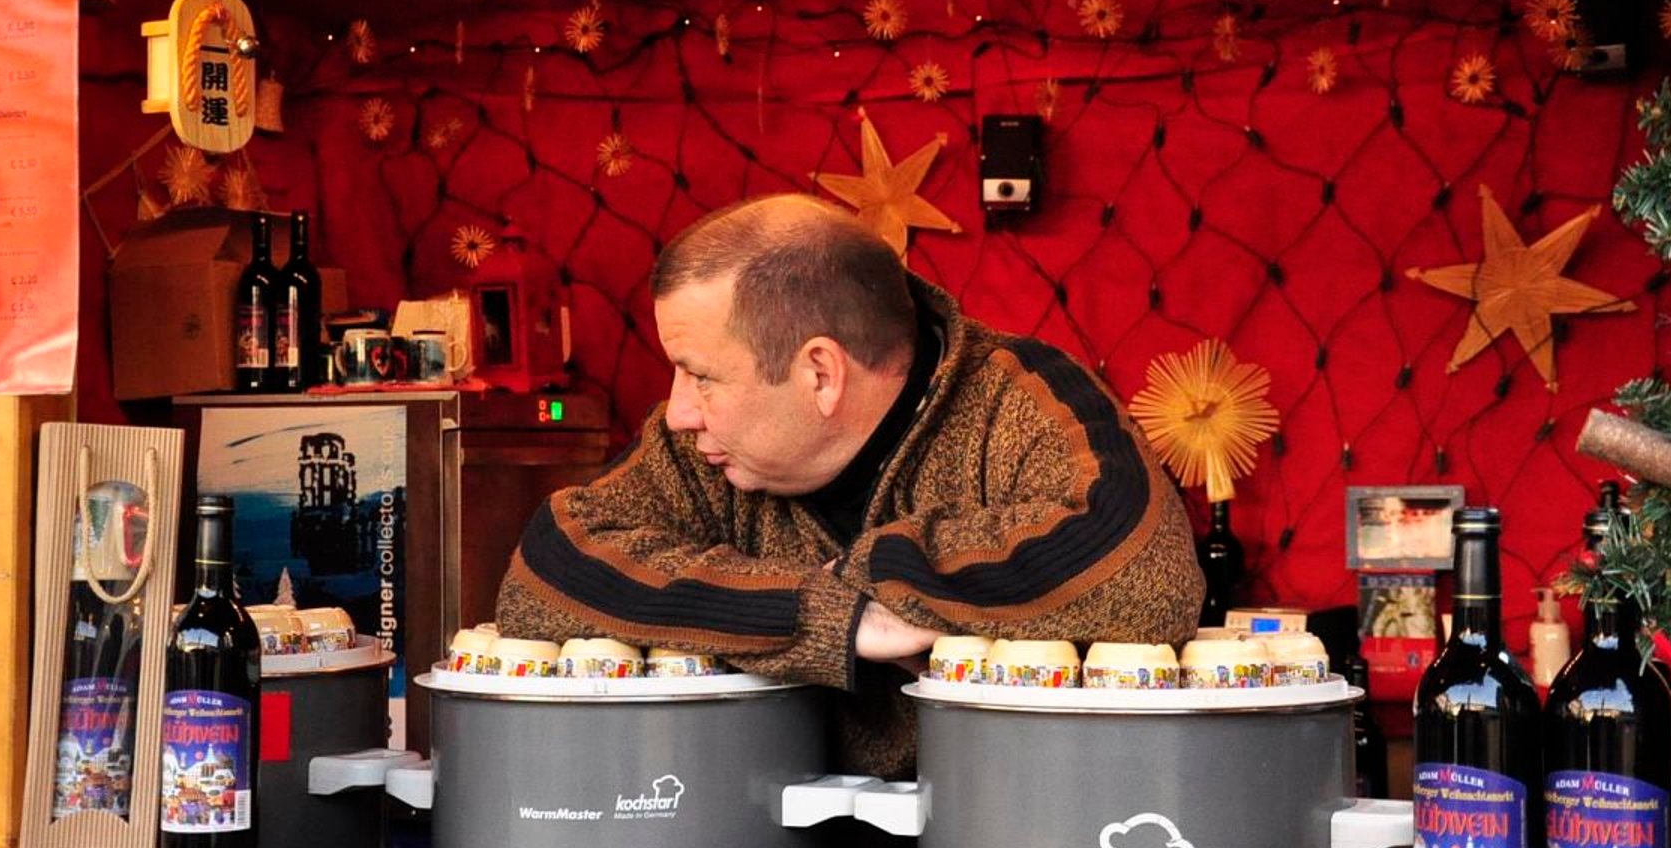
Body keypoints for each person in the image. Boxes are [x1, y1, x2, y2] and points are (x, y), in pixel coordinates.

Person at [497, 193, 1203, 779]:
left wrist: (883, 571)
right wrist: (833, 615)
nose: (677, 410)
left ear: (820, 374)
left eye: (700, 375)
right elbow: (548, 567)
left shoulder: (1021, 398)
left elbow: (1143, 566)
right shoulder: (693, 448)